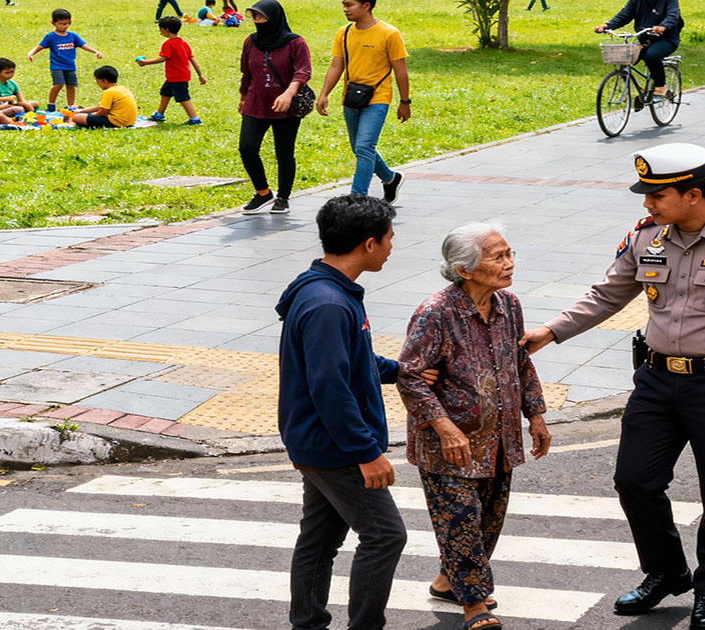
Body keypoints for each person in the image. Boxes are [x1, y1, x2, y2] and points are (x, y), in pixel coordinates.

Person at [520, 143, 705, 629]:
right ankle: (667, 572)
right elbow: (606, 295)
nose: (647, 205)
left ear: (693, 194)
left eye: (657, 195)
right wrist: (550, 331)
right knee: (635, 480)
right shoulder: (646, 236)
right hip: (655, 379)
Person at [397, 224, 552, 630]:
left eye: (509, 252)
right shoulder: (435, 312)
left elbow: (521, 362)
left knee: (488, 520)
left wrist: (535, 415)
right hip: (450, 445)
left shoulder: (509, 305)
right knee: (461, 518)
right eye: (498, 257)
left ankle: (450, 581)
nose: (509, 262)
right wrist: (445, 427)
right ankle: (475, 606)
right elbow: (410, 376)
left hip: (498, 441)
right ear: (464, 269)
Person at [275, 195, 408, 630]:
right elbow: (329, 386)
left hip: (316, 441)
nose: (392, 247)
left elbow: (351, 360)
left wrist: (400, 371)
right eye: (389, 239)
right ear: (368, 244)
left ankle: (307, 623)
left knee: (319, 540)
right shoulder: (329, 304)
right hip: (334, 446)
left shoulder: (328, 289)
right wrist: (366, 452)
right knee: (385, 535)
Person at [315, 0, 411, 204]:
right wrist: (324, 94)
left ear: (366, 5)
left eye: (349, 5)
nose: (345, 9)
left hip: (378, 98)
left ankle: (357, 197)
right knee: (359, 147)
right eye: (343, 4)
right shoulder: (344, 32)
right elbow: (336, 65)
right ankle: (390, 178)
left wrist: (405, 101)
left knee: (364, 146)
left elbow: (400, 69)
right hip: (351, 96)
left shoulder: (389, 33)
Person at [237, 0, 311, 215]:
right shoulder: (251, 42)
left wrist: (289, 93)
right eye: (254, 17)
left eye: (260, 17)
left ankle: (283, 197)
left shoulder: (295, 43)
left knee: (284, 153)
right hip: (256, 102)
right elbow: (246, 72)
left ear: (274, 18)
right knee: (247, 147)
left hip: (285, 107)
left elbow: (303, 72)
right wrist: (243, 97)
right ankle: (263, 192)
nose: (257, 21)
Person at [594, 0, 682, 103]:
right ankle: (639, 90)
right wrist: (608, 25)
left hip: (666, 39)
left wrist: (664, 26)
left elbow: (673, 16)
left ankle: (660, 87)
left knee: (652, 56)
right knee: (626, 58)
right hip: (646, 40)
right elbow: (624, 15)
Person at [27, 9, 103, 111]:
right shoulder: (50, 36)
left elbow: (83, 45)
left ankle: (70, 106)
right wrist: (31, 53)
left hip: (70, 65)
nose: (64, 26)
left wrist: (95, 51)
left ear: (70, 22)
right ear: (53, 23)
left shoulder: (73, 36)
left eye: (66, 24)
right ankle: (51, 104)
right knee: (58, 84)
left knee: (71, 85)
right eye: (60, 24)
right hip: (57, 66)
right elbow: (40, 46)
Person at [139, 16, 206, 125]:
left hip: (176, 77)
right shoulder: (183, 43)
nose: (159, 32)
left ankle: (195, 119)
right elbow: (192, 59)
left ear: (167, 30)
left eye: (160, 29)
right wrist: (200, 75)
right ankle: (159, 114)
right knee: (165, 93)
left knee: (183, 98)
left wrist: (145, 62)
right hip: (176, 77)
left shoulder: (168, 44)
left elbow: (162, 59)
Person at [72, 66, 138, 128]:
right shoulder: (121, 89)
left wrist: (91, 116)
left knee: (76, 117)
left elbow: (103, 112)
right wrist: (83, 110)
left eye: (98, 82)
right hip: (130, 121)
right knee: (81, 115)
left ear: (104, 81)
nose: (98, 84)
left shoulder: (108, 92)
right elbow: (100, 106)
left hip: (116, 122)